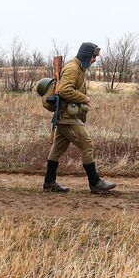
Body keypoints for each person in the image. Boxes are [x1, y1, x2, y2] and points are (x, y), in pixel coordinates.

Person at [43, 41, 117, 194]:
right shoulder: (72, 68)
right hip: (68, 117)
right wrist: (83, 98)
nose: (94, 60)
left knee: (57, 149)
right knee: (87, 144)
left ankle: (49, 182)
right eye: (92, 57)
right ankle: (95, 183)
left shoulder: (78, 68)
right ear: (85, 56)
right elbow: (64, 90)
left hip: (66, 116)